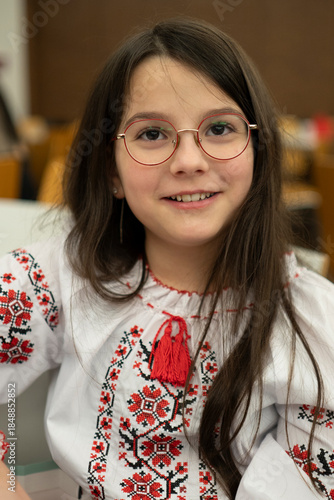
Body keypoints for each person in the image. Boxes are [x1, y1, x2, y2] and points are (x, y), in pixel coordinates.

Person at [0, 17, 333, 500]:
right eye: (152, 134)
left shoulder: (310, 322)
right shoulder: (66, 273)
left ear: (259, 153)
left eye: (219, 128)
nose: (188, 160)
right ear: (111, 171)